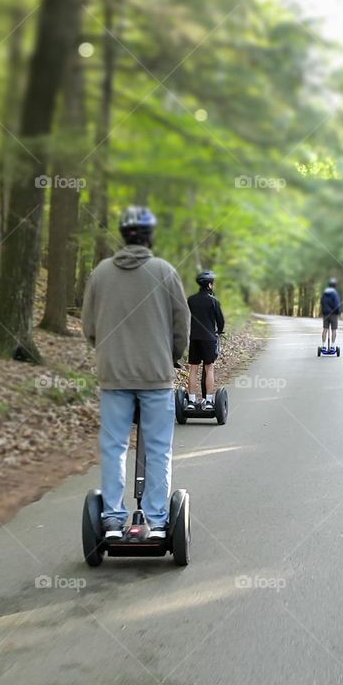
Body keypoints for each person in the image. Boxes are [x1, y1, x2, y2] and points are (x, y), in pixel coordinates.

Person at [82, 205, 190, 541]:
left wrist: (109, 354)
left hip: (114, 376)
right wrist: (170, 357)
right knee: (158, 448)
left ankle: (113, 520)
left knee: (114, 447)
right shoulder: (165, 271)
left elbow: (89, 326)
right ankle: (157, 522)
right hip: (156, 376)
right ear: (149, 236)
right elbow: (181, 325)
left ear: (123, 234)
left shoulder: (100, 273)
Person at [187, 270, 225, 407]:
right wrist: (219, 331)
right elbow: (220, 321)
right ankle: (209, 400)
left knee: (193, 369)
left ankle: (191, 400)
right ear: (209, 285)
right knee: (209, 368)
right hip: (209, 338)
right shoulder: (213, 301)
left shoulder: (190, 300)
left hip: (194, 338)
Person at [320, 277, 341, 349]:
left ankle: (323, 345)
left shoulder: (324, 293)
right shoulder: (335, 293)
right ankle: (332, 346)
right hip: (333, 314)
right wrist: (337, 311)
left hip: (326, 314)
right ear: (335, 285)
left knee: (325, 329)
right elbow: (337, 304)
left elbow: (322, 302)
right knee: (334, 330)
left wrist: (323, 311)